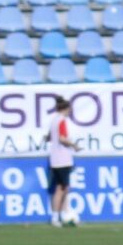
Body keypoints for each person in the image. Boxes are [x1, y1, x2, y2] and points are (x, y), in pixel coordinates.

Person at [46, 96, 80, 225]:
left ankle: (61, 214)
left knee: (63, 188)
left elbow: (49, 137)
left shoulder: (53, 120)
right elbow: (62, 138)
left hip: (55, 158)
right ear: (66, 108)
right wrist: (74, 145)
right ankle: (58, 216)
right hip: (62, 159)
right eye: (70, 109)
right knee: (62, 188)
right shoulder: (61, 121)